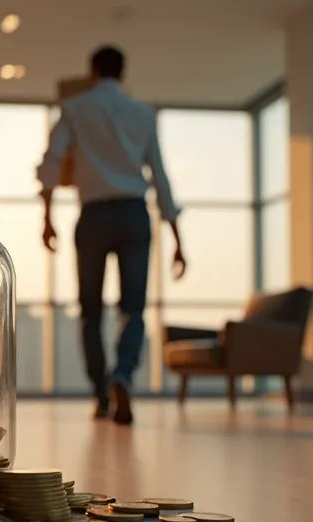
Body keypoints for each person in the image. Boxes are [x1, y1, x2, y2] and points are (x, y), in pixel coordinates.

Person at [37, 45, 186, 426]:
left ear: (91, 71)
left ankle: (101, 393)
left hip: (95, 215)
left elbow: (51, 161)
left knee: (90, 311)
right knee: (132, 308)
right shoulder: (143, 113)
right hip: (136, 214)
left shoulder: (75, 109)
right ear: (123, 71)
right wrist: (177, 238)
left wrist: (47, 216)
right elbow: (161, 175)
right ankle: (123, 376)